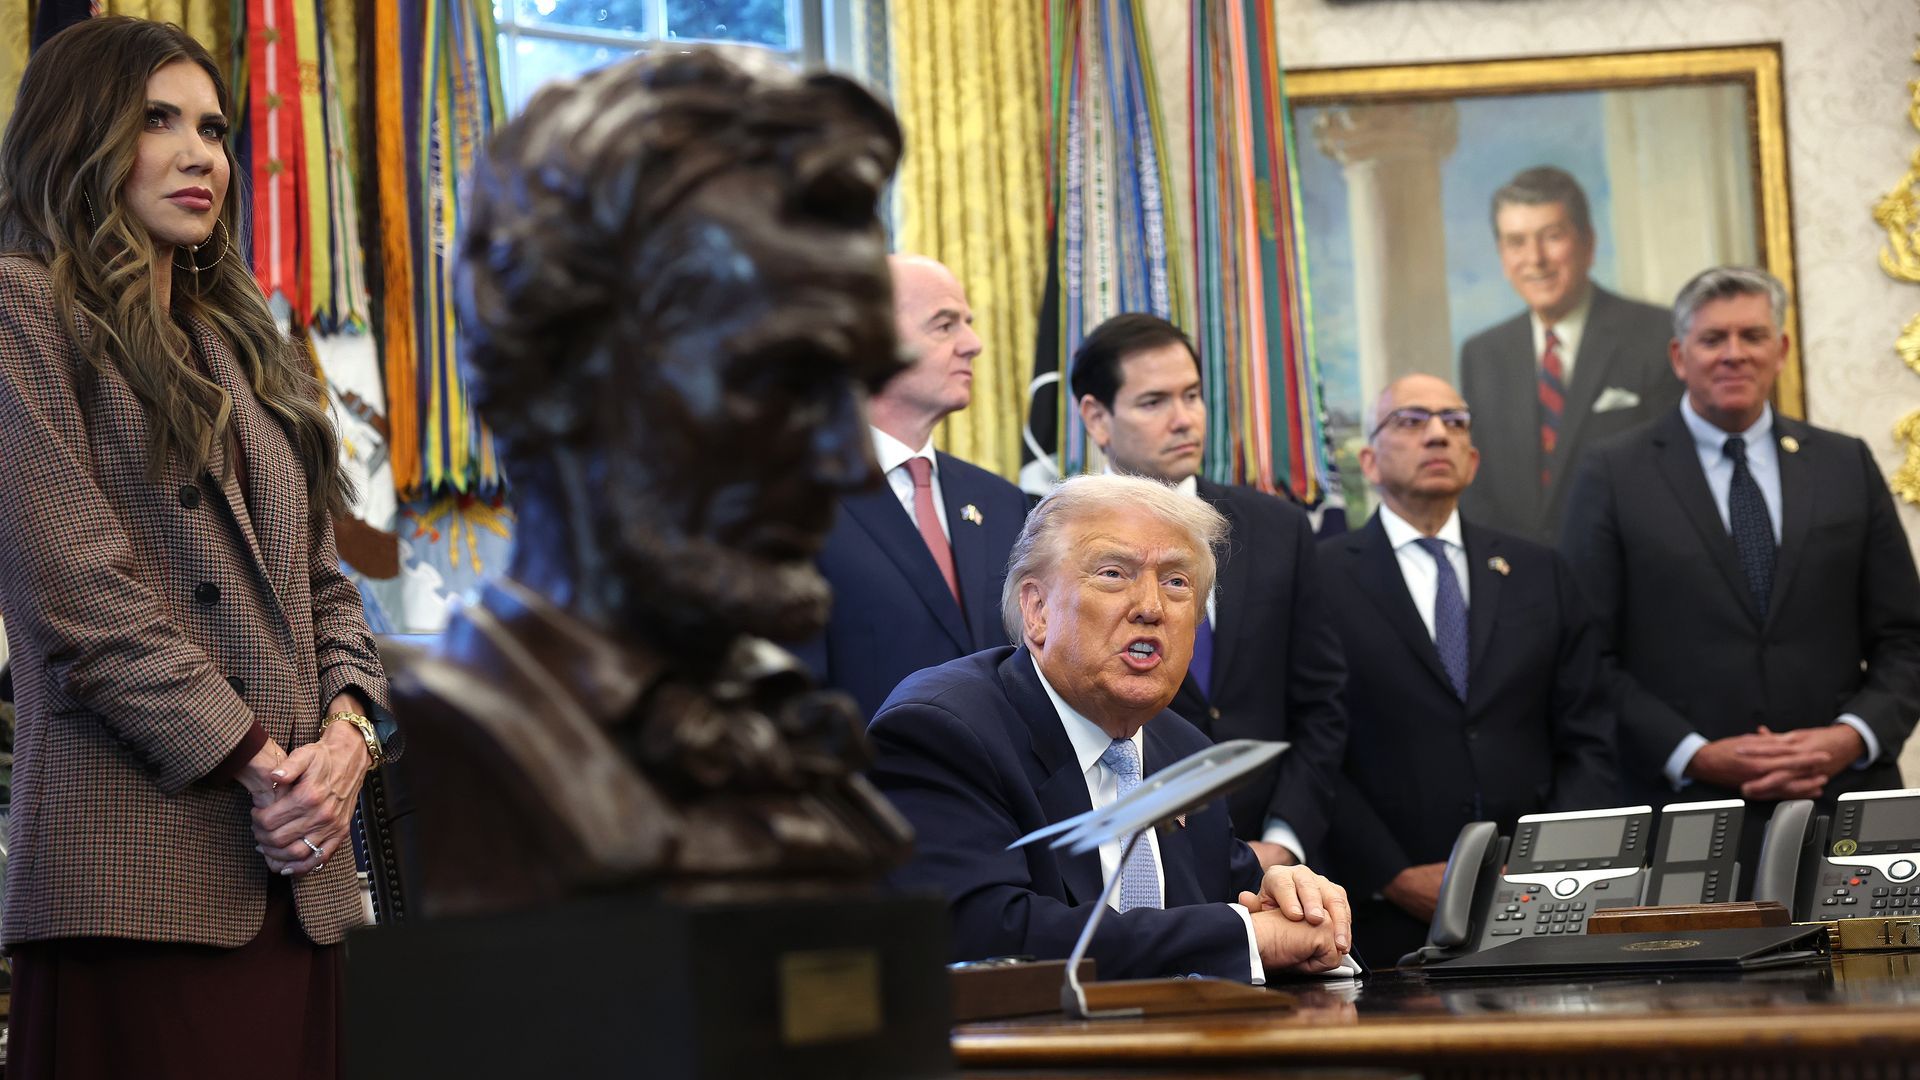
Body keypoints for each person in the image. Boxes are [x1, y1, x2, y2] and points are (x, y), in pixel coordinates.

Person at [0, 18, 394, 1079]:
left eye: (215, 128)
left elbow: (327, 586)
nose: (200, 154)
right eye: (157, 121)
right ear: (80, 137)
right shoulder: (18, 309)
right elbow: (77, 597)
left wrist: (352, 734)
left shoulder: (243, 346)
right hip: (136, 868)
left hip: (293, 875)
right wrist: (273, 772)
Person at [867, 474, 1353, 981]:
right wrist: (1244, 936)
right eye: (1114, 574)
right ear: (1037, 610)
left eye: (1177, 582)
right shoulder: (943, 729)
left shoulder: (1184, 749)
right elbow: (984, 933)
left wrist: (1294, 900)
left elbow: (1243, 910)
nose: (1151, 607)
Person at [1561, 267, 1920, 811]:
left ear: (1780, 350)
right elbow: (1587, 654)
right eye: (1712, 339)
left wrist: (1850, 737)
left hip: (1844, 797)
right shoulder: (1611, 473)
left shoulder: (1845, 463)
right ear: (1680, 357)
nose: (1734, 354)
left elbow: (1906, 638)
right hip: (1686, 807)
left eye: (1752, 336)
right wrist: (1693, 753)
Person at [1318, 373, 1618, 964]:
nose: (1437, 435)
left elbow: (1590, 733)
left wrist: (1547, 862)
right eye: (1412, 421)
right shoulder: (1323, 579)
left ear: (1473, 460)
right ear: (1371, 462)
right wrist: (1392, 874)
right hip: (1383, 915)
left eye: (1454, 423)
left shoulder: (1539, 572)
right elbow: (1314, 746)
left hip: (1542, 906)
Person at [1071, 313, 1347, 869]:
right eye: (1154, 403)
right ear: (1097, 418)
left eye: (1192, 396)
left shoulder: (1278, 528)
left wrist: (1284, 840)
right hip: (1131, 866)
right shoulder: (1057, 542)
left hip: (1279, 869)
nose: (1185, 420)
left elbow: (1321, 704)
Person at [793, 253, 1028, 719]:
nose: (974, 344)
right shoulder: (797, 497)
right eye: (944, 325)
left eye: (969, 322)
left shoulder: (1001, 502)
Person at [1458, 165, 1677, 544]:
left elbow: (1671, 479)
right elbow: (1477, 490)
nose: (1535, 259)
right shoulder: (1482, 356)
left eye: (1552, 237)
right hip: (1519, 583)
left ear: (1588, 244)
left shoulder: (1658, 336)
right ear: (1501, 255)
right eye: (1516, 242)